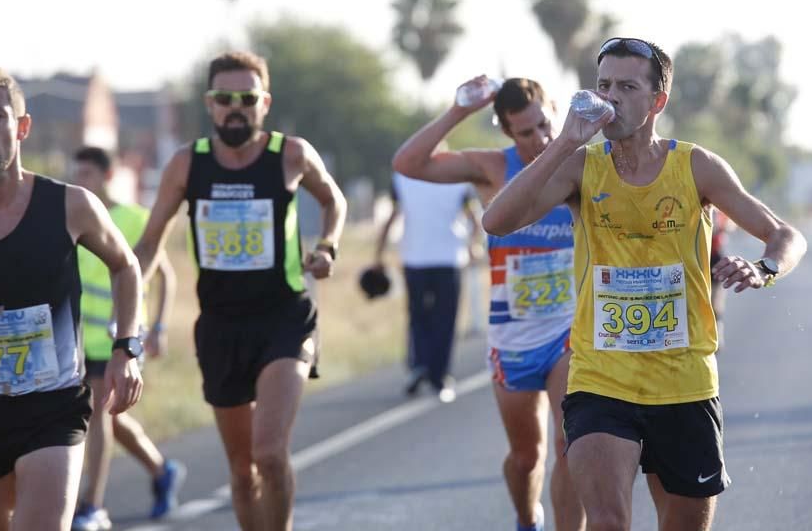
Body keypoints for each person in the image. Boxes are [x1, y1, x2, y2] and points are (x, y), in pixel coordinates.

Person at [482, 37, 807, 531]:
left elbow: (786, 234)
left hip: (684, 382)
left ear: (658, 101)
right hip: (599, 377)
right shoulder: (580, 166)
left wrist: (763, 269)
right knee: (609, 522)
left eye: (627, 87)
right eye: (604, 85)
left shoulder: (696, 166)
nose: (611, 97)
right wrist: (566, 141)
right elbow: (497, 221)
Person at [133, 51, 347, 531]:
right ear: (210, 105)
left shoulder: (290, 154)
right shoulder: (189, 164)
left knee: (269, 454)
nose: (236, 107)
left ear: (263, 102)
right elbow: (148, 244)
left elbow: (333, 199)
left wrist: (328, 245)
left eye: (246, 99)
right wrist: (130, 311)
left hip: (284, 318)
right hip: (220, 327)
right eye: (224, 98)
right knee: (241, 468)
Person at [393, 77, 585, 531]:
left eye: (545, 125)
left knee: (569, 443)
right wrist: (458, 110)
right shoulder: (493, 169)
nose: (539, 139)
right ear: (506, 133)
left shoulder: (580, 166)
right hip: (513, 335)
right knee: (525, 457)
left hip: (569, 330)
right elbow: (408, 163)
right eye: (526, 132)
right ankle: (526, 518)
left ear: (555, 112)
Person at [0, 66, 144, 531]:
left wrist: (127, 347)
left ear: (21, 127)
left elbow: (126, 266)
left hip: (53, 405)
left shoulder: (70, 205)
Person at [69, 146, 185, 530]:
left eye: (87, 173)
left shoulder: (133, 218)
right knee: (109, 421)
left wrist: (159, 329)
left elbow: (164, 274)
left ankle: (92, 505)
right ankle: (161, 469)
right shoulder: (75, 215)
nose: (80, 180)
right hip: (81, 340)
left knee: (99, 415)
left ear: (105, 175)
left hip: (121, 338)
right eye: (77, 173)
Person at [372, 169, 481, 402]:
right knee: (444, 319)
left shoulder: (404, 177)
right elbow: (473, 219)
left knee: (418, 316)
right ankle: (438, 375)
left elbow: (392, 218)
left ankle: (419, 365)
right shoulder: (457, 176)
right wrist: (473, 244)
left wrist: (378, 255)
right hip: (447, 259)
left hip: (416, 259)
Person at [709, 208, 736, 348]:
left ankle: (717, 332)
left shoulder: (718, 207)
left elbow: (731, 225)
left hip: (715, 256)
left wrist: (722, 227)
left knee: (715, 300)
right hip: (695, 258)